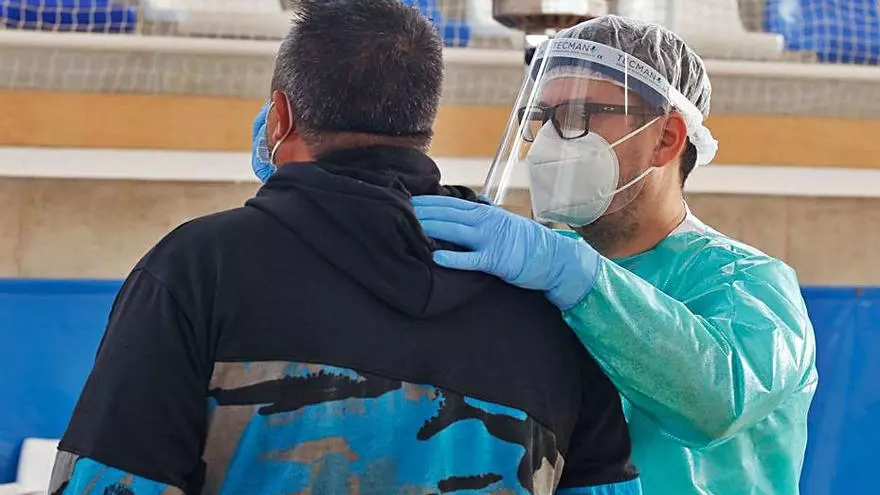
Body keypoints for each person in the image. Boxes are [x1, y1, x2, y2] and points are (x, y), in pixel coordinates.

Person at [50, 2, 641, 494]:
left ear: (279, 118)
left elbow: (110, 484)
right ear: (421, 127)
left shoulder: (202, 269)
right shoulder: (546, 301)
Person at [411, 16, 817, 495]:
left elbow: (717, 400)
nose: (549, 141)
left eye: (578, 115)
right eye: (542, 118)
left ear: (666, 138)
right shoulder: (544, 276)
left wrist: (575, 274)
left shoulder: (747, 284)